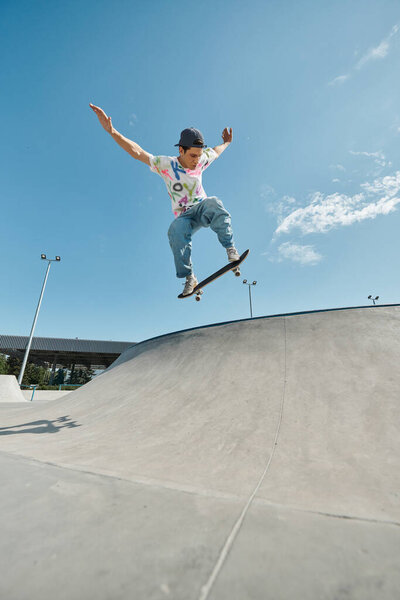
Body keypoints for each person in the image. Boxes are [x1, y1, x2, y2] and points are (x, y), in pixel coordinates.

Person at [90, 104, 241, 296]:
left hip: (202, 209)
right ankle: (189, 278)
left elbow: (217, 151)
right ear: (181, 150)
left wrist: (227, 142)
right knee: (175, 230)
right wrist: (112, 131)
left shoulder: (202, 158)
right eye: (193, 155)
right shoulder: (166, 165)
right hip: (184, 217)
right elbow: (137, 152)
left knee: (214, 203)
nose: (197, 160)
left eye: (199, 155)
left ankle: (230, 249)